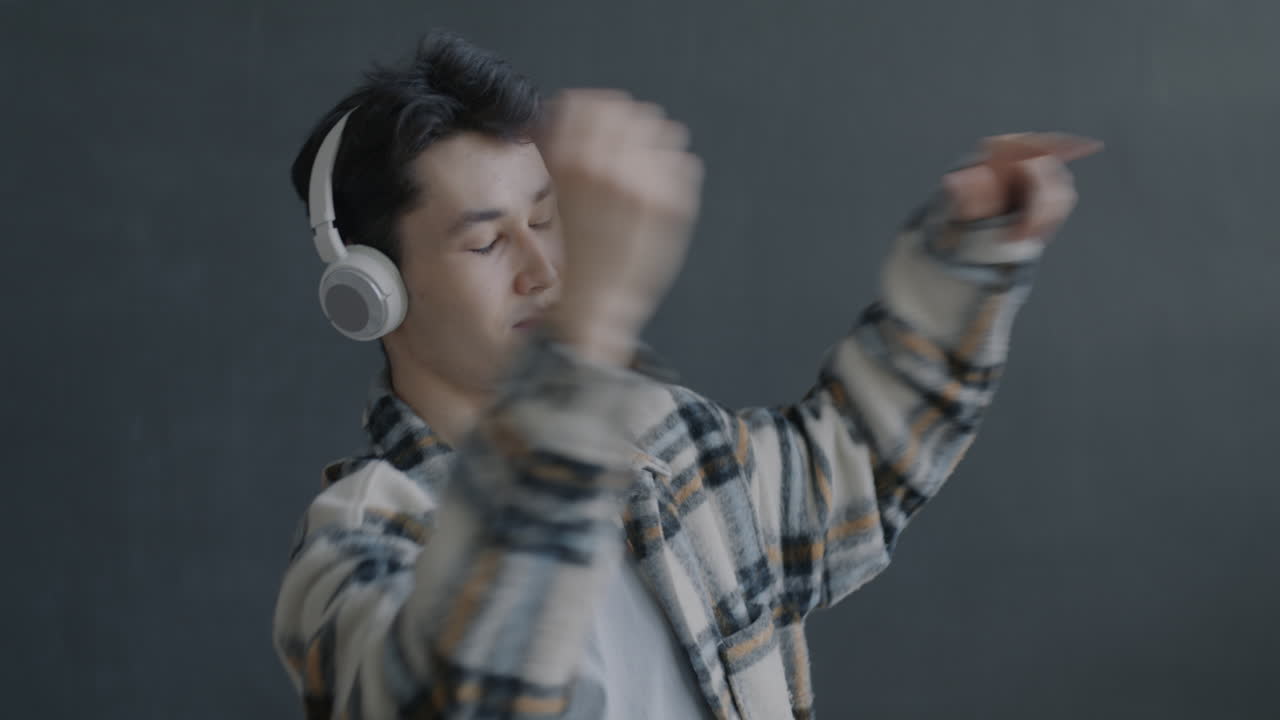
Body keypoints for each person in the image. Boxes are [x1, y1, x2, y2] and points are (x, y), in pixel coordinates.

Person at [272, 31, 1099, 720]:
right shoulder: (356, 544)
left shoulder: (665, 449)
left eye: (549, 221)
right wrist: (586, 338)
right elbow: (467, 695)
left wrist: (975, 252)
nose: (543, 270)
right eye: (487, 243)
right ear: (371, 294)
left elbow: (853, 465)